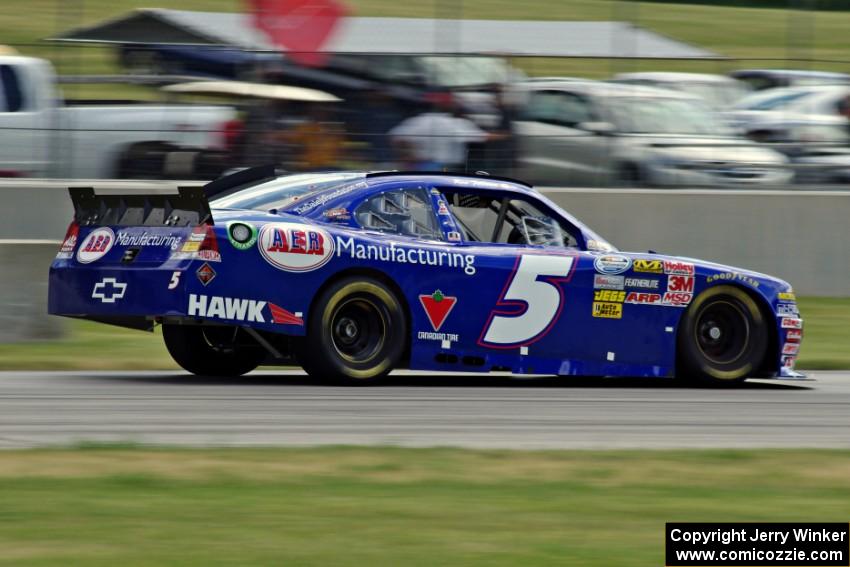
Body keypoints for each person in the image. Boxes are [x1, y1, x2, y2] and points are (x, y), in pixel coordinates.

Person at [389, 91, 500, 171]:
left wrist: (408, 156)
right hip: (446, 169)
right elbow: (482, 137)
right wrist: (504, 135)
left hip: (422, 167)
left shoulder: (418, 121)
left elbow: (397, 136)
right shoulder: (453, 123)